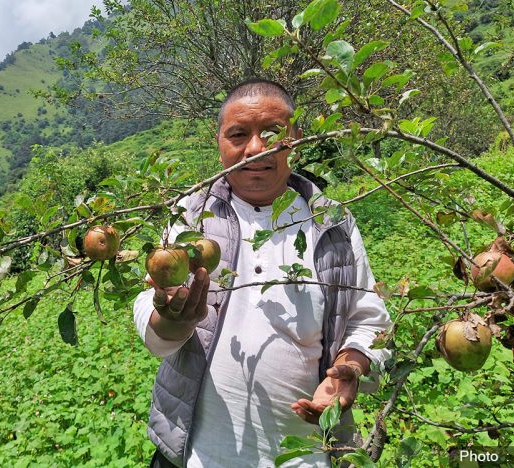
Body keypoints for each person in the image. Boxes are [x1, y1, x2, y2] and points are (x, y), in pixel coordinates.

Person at [133, 78, 391, 467]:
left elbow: (368, 320)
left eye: (272, 133)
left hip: (304, 457)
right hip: (192, 454)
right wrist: (169, 321)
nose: (255, 148)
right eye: (238, 134)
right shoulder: (190, 215)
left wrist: (351, 366)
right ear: (220, 143)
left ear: (297, 139)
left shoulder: (333, 221)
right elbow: (155, 317)